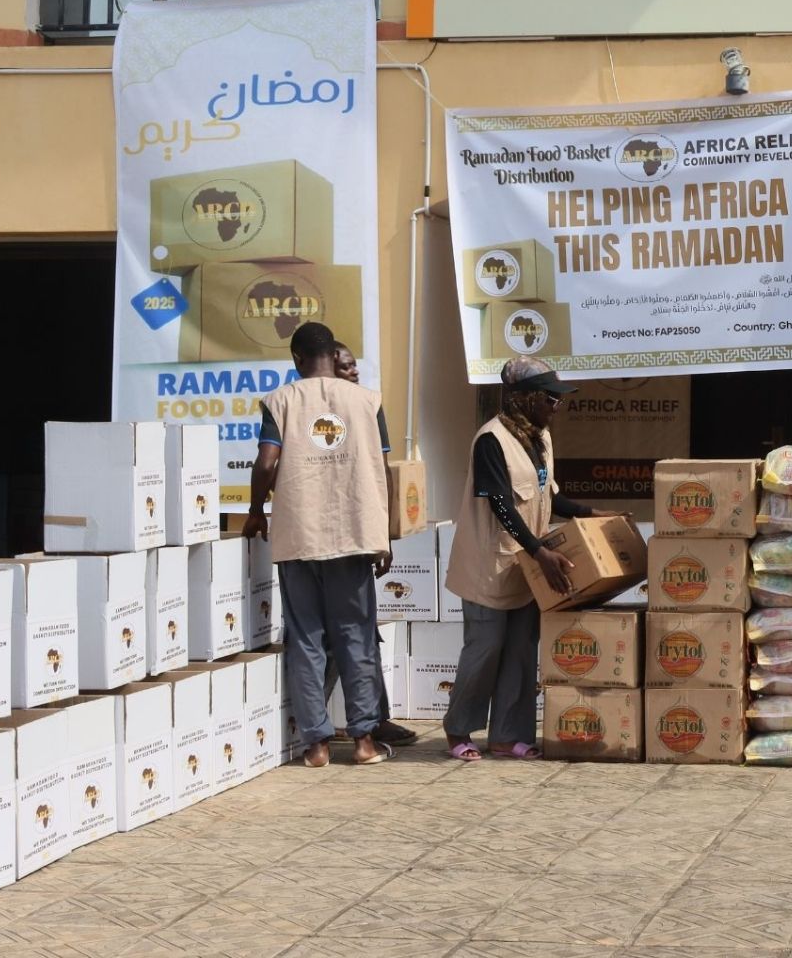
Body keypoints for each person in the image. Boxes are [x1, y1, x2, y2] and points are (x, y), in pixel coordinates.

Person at [441, 358, 617, 761]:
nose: (557, 406)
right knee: (485, 648)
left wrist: (590, 514)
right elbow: (502, 505)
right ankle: (458, 730)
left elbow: (548, 495)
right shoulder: (491, 440)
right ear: (524, 398)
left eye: (558, 399)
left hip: (530, 565)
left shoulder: (540, 439)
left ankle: (507, 735)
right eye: (550, 399)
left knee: (521, 649)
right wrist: (541, 553)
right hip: (490, 566)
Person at [244, 322, 396, 767]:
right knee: (356, 638)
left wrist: (256, 510)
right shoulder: (368, 401)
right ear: (334, 355)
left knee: (307, 640)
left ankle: (316, 746)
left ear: (296, 360)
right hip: (355, 533)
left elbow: (267, 461)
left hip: (299, 536)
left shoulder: (280, 401)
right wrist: (383, 533)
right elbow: (383, 470)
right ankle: (365, 742)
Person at [319, 340, 418, 750]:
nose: (354, 373)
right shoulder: (307, 413)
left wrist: (382, 536)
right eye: (345, 368)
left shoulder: (367, 409)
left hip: (358, 536)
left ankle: (375, 720)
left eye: (355, 367)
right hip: (318, 540)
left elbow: (380, 476)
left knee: (363, 633)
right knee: (324, 639)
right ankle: (316, 728)